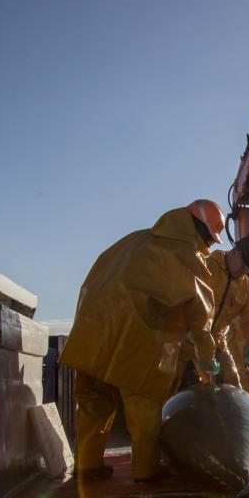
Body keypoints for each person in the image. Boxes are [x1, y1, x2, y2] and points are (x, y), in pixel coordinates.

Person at [59, 200, 225, 482]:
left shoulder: (133, 240)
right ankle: (146, 473)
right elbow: (200, 317)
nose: (208, 246)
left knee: (92, 403)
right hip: (137, 343)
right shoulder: (187, 255)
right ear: (203, 232)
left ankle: (87, 467)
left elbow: (93, 281)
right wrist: (207, 360)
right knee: (145, 410)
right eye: (210, 239)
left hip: (93, 335)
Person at [201, 235, 249, 394]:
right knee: (188, 386)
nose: (245, 271)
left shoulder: (245, 287)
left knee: (233, 385)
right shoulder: (206, 266)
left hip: (217, 341)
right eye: (244, 265)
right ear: (235, 251)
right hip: (188, 340)